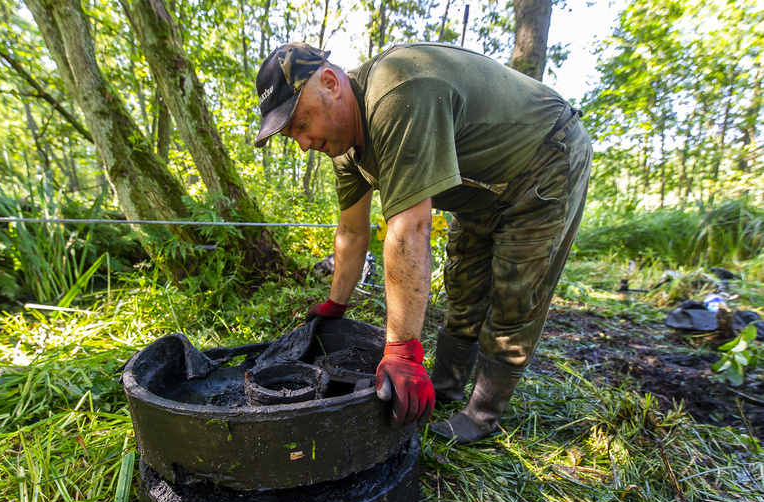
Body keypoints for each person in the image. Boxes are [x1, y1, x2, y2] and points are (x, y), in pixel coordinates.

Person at [253, 42, 592, 443]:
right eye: (292, 136)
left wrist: (402, 351)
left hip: (545, 157)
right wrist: (336, 303)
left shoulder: (397, 92)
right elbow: (353, 231)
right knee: (463, 285)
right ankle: (446, 388)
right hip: (478, 190)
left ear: (330, 83)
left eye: (301, 123)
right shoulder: (344, 148)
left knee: (515, 294)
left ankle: (482, 415)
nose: (304, 143)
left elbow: (409, 230)